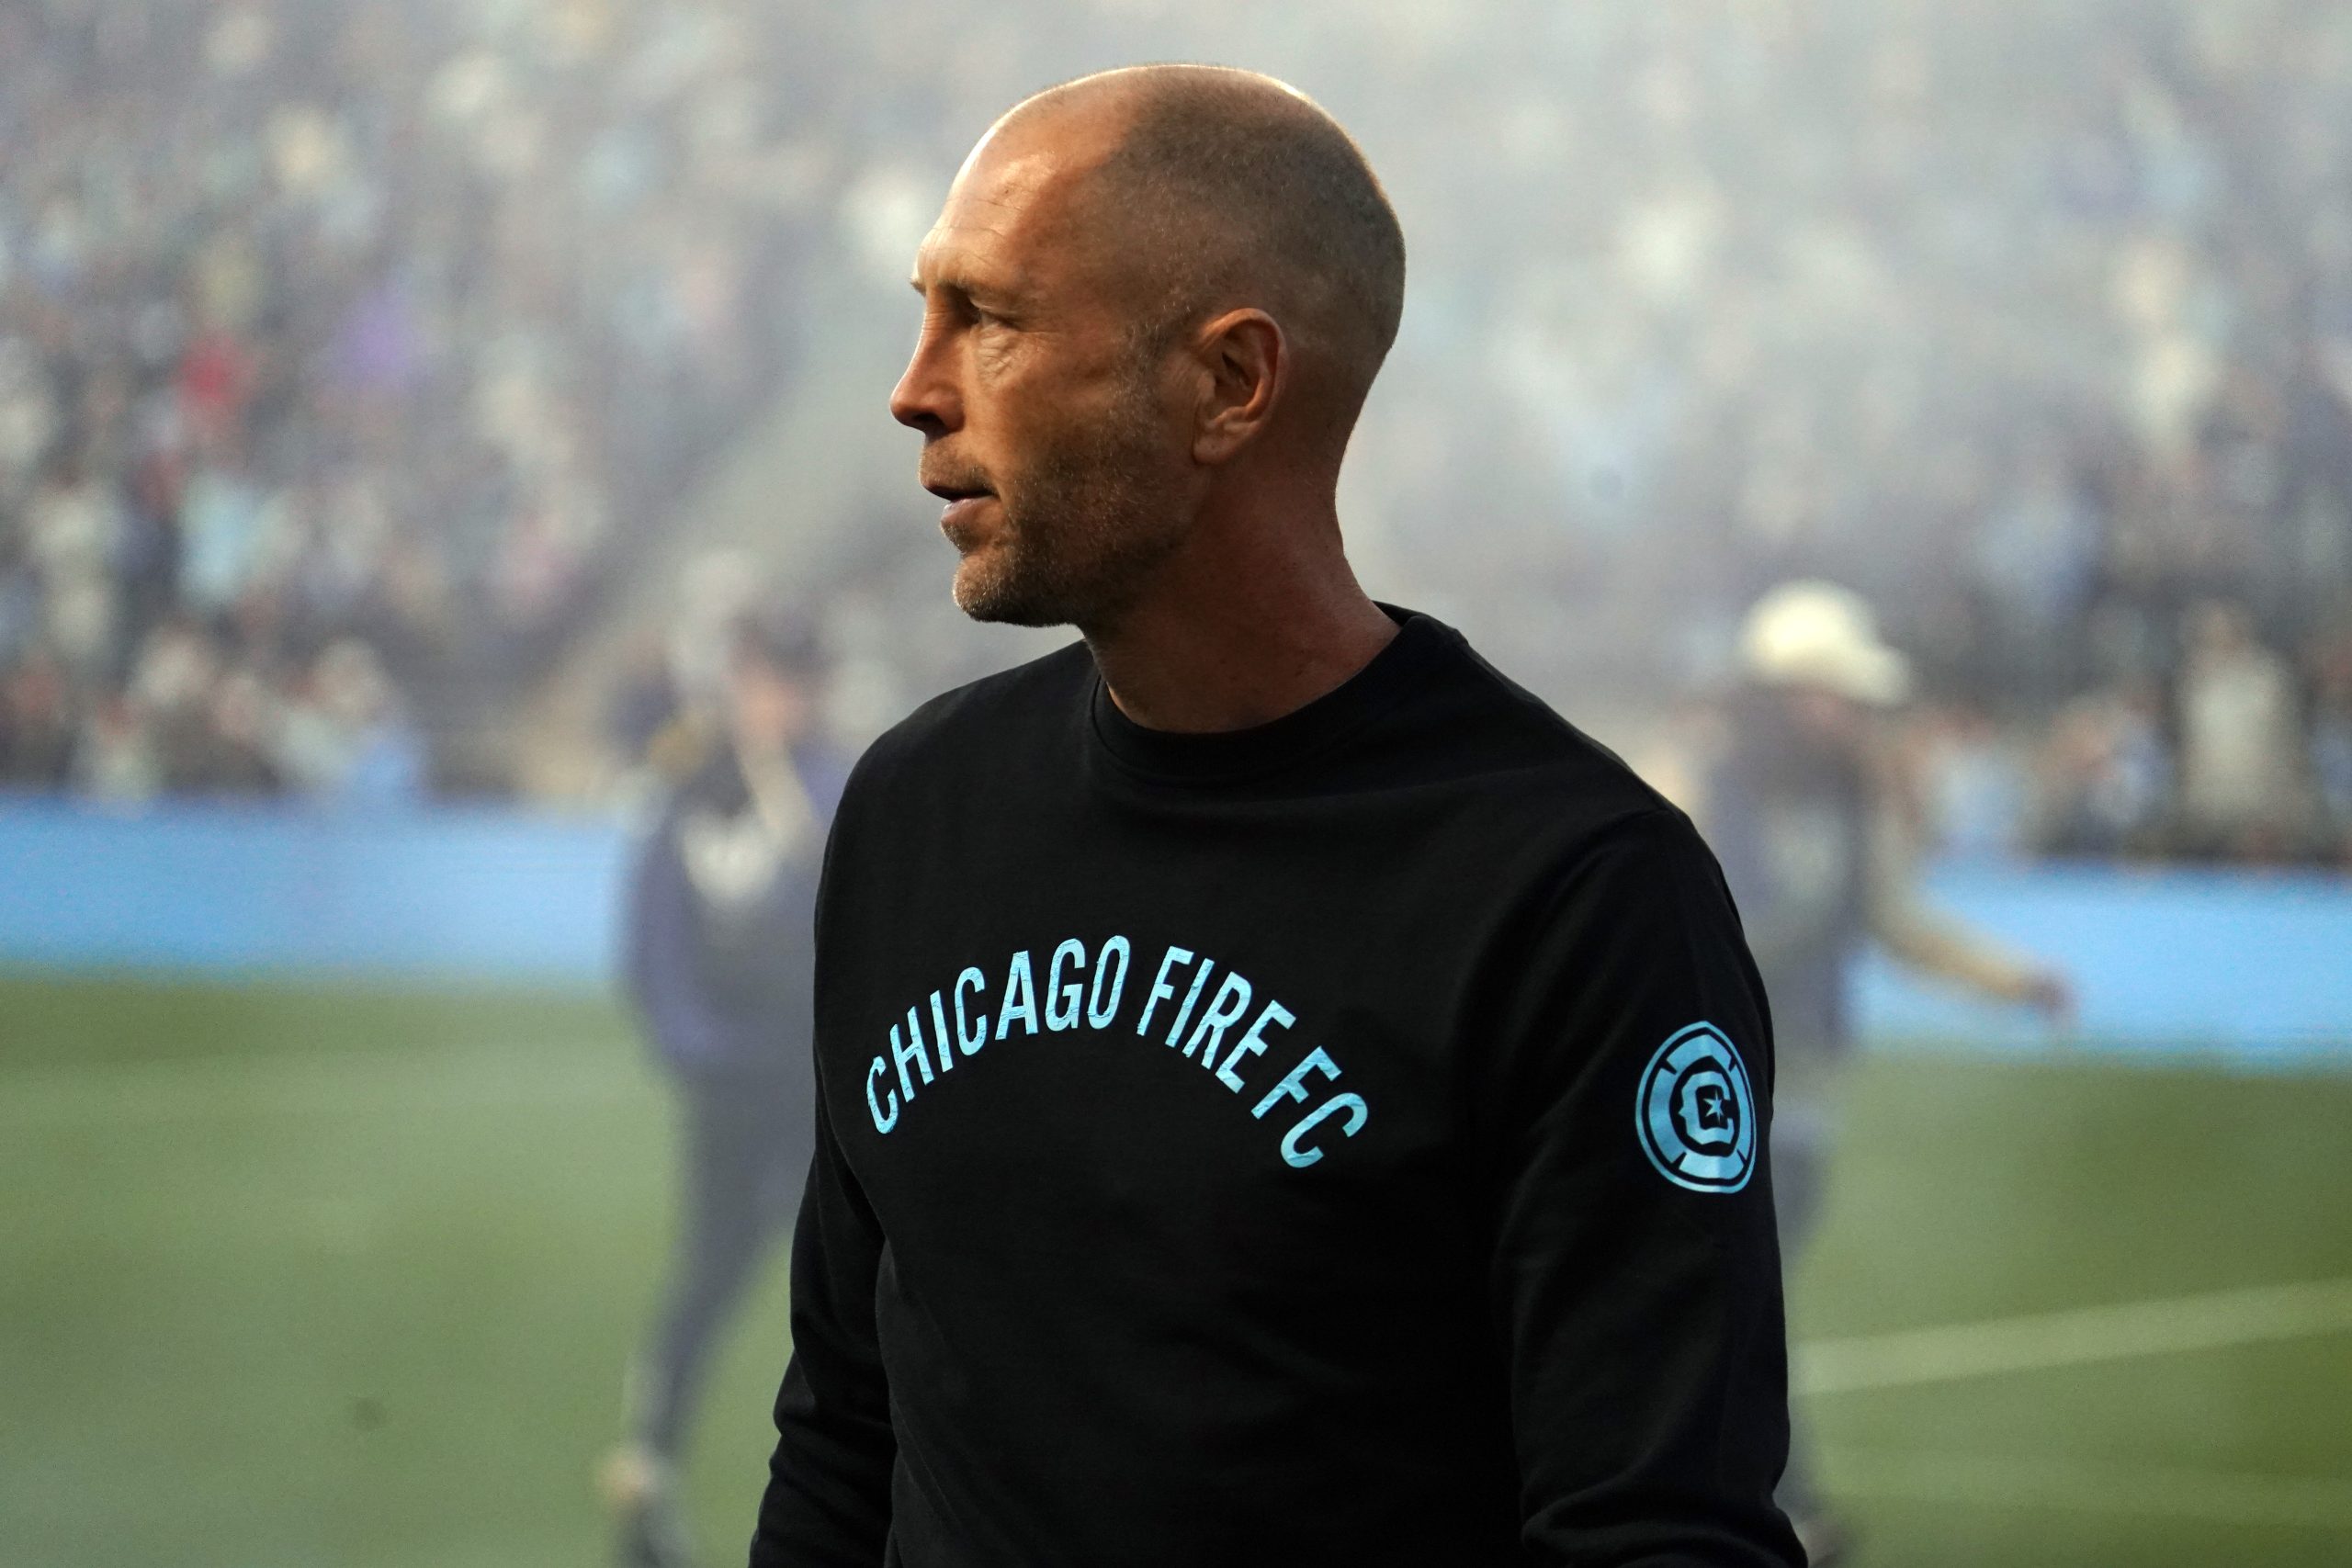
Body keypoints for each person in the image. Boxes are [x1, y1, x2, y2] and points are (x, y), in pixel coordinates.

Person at [751, 67, 1802, 1566]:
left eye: (990, 318)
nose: (918, 386)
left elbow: (1656, 1531)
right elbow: (847, 1425)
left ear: (1233, 383)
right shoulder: (915, 811)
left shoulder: (1571, 895)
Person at [1705, 581, 2072, 1564]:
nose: (1856, 716)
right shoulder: (1696, 790)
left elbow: (1894, 919)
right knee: (1733, 1302)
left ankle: (1768, 1504)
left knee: (1732, 1304)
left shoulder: (1851, 799)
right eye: (1838, 695)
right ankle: (1790, 1510)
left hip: (1798, 1103)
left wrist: (2011, 980)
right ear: (1781, 694)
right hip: (1700, 1100)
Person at [605, 605, 848, 1568]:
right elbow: (653, 945)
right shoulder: (690, 795)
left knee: (842, 1292)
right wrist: (701, 1052)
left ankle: (855, 1501)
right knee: (706, 1280)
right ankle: (645, 1481)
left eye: (793, 680)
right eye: (764, 678)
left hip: (820, 1091)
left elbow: (850, 892)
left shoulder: (832, 783)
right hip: (733, 1095)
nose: (779, 697)